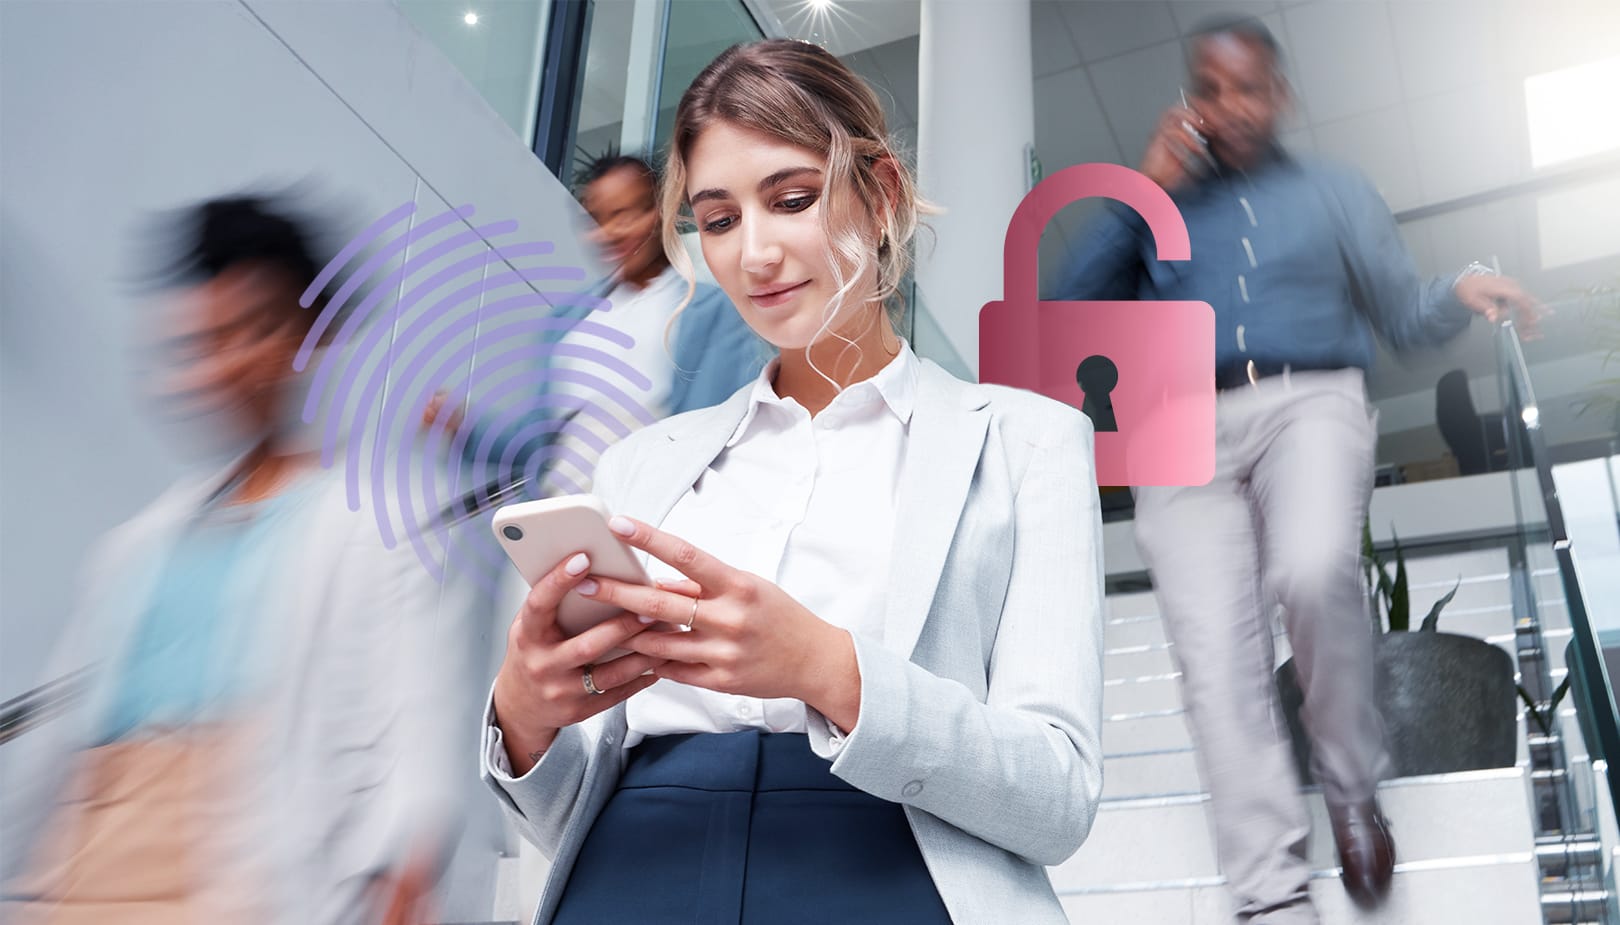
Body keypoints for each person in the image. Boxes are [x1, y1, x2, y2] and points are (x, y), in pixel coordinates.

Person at [480, 39, 1106, 925]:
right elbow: (565, 807)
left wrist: (827, 668)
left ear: (882, 194)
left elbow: (1059, 794)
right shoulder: (642, 462)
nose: (756, 254)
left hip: (889, 873)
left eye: (793, 199)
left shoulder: (1027, 442)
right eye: (720, 219)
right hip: (634, 872)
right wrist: (526, 714)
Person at [1057, 16, 1543, 924]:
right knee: (1216, 660)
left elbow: (1400, 309)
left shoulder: (1336, 190)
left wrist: (1461, 288)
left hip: (1310, 400)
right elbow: (1068, 312)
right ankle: (1271, 895)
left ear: (1280, 94)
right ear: (1190, 99)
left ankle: (1353, 787)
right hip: (1180, 424)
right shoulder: (1158, 202)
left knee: (1314, 569)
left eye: (1248, 87)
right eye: (1211, 88)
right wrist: (1138, 194)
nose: (1230, 106)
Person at [0, 196, 461, 924]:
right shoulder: (136, 545)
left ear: (311, 338)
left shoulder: (385, 520)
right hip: (84, 864)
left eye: (255, 329)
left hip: (243, 872)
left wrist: (406, 865)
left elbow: (421, 720)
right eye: (206, 339)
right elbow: (61, 744)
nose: (227, 362)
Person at [425, 154, 765, 502]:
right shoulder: (567, 323)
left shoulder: (707, 311)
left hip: (643, 516)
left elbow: (713, 431)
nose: (610, 232)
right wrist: (464, 427)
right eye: (596, 220)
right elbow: (537, 443)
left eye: (626, 214)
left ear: (661, 212)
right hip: (556, 512)